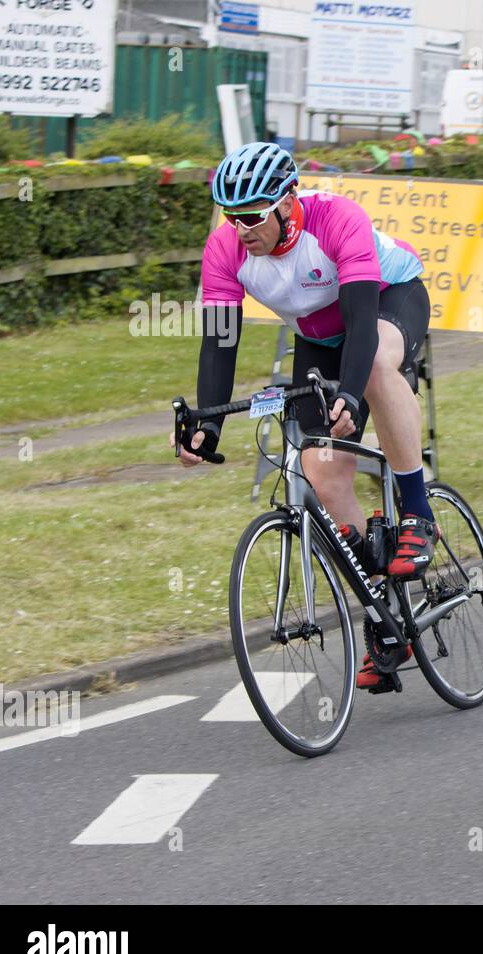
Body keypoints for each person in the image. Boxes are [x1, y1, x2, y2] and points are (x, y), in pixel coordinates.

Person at [183, 142, 435, 691]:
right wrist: (208, 424)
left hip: (385, 303)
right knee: (322, 473)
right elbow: (219, 343)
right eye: (231, 216)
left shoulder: (336, 218)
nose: (240, 228)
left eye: (251, 215)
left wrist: (348, 391)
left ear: (286, 201)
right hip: (317, 333)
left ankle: (418, 513)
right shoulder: (226, 248)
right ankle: (383, 617)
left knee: (370, 370)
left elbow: (362, 322)